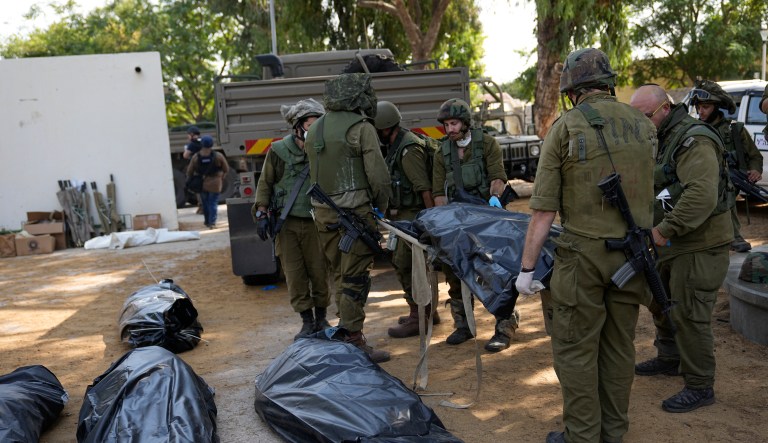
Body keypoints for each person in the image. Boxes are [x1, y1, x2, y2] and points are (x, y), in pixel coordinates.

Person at [515, 48, 657, 443]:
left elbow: (543, 211)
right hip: (633, 256)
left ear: (572, 90)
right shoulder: (644, 125)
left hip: (582, 260)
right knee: (619, 348)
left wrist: (526, 271)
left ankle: (581, 436)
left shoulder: (565, 127)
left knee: (576, 351)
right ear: (608, 82)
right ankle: (613, 432)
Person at [629, 84, 732, 414]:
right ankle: (670, 357)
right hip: (671, 242)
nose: (642, 123)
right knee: (659, 300)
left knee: (689, 313)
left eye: (645, 116)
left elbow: (701, 195)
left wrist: (664, 229)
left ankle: (700, 385)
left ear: (665, 109)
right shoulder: (659, 137)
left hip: (699, 243)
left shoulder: (694, 139)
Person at [305, 73, 392, 363]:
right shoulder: (362, 127)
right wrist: (380, 207)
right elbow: (379, 176)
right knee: (355, 280)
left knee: (341, 275)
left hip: (323, 217)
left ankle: (345, 332)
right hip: (355, 216)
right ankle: (353, 340)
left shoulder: (314, 129)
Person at [431, 98, 515, 352]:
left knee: (496, 272)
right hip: (456, 220)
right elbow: (438, 193)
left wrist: (494, 200)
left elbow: (498, 177)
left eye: (454, 123)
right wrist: (443, 224)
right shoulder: (441, 153)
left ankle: (504, 326)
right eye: (446, 125)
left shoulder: (486, 144)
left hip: (486, 216)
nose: (450, 129)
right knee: (455, 270)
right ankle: (463, 324)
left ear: (466, 123)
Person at [252, 98, 331, 340]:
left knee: (319, 272)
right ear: (297, 126)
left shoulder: (325, 150)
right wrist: (261, 213)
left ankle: (322, 317)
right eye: (310, 125)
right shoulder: (278, 151)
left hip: (317, 222)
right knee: (295, 274)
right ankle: (306, 321)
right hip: (286, 225)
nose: (314, 130)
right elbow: (265, 183)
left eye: (319, 125)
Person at [373, 100, 441, 338]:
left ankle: (419, 316)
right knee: (409, 264)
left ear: (385, 127)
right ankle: (426, 310)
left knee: (405, 264)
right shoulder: (396, 145)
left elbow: (424, 188)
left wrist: (432, 224)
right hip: (404, 216)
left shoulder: (408, 149)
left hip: (414, 216)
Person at [689, 80, 763, 252]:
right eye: (699, 107)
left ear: (716, 106)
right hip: (700, 182)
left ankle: (733, 236)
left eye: (705, 107)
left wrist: (755, 170)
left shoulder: (734, 130)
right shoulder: (694, 130)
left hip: (730, 182)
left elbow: (754, 156)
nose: (701, 111)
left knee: (726, 191)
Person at [186, 135, 229, 229]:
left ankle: (207, 221)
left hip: (202, 183)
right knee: (213, 203)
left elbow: (190, 171)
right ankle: (212, 222)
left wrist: (191, 179)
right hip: (215, 183)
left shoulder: (196, 157)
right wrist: (221, 177)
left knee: (205, 203)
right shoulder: (218, 156)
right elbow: (226, 169)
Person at [183, 125, 204, 214]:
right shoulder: (203, 141)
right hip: (206, 168)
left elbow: (185, 155)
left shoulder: (192, 144)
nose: (188, 136)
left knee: (198, 189)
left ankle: (202, 207)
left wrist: (186, 149)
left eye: (188, 134)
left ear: (191, 134)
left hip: (196, 170)